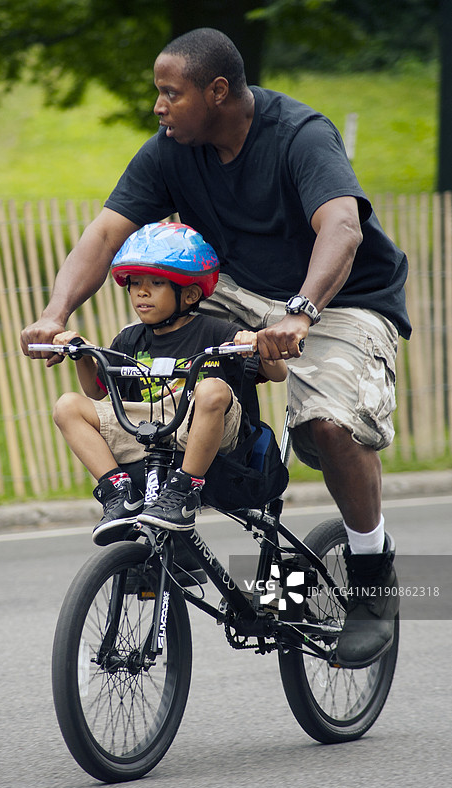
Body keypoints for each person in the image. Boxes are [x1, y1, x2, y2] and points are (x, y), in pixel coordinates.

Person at [21, 28, 411, 668]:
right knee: (156, 365)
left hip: (337, 297)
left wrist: (301, 312)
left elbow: (340, 226)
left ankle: (371, 571)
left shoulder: (300, 136)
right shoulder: (170, 151)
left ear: (218, 90)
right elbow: (105, 234)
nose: (159, 105)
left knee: (328, 428)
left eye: (171, 93)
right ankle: (172, 500)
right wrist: (55, 314)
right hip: (237, 288)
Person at [51, 221, 286, 545]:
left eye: (156, 283)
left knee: (211, 388)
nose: (141, 292)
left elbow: (278, 374)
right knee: (68, 405)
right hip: (150, 429)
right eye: (135, 283)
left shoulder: (218, 332)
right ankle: (118, 492)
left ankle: (184, 490)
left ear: (189, 293)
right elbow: (96, 392)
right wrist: (83, 354)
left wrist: (258, 344)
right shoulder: (130, 338)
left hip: (211, 430)